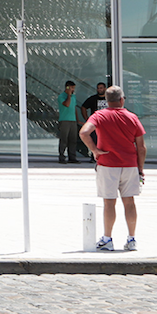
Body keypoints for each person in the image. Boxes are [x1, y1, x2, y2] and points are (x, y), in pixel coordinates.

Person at [80, 85, 146, 252]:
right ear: (122, 100)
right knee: (129, 202)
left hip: (107, 164)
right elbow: (141, 147)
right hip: (129, 164)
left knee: (109, 202)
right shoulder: (132, 117)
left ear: (106, 100)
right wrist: (140, 169)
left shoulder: (99, 115)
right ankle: (132, 239)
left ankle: (107, 239)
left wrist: (94, 150)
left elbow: (83, 132)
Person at [78, 81, 107, 161]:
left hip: (107, 123)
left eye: (101, 88)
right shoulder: (93, 99)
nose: (99, 89)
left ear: (105, 89)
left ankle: (106, 156)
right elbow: (83, 107)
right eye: (98, 88)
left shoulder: (109, 99)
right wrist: (87, 119)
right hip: (95, 124)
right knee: (94, 140)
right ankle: (94, 156)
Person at [56, 81, 80, 163]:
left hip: (73, 120)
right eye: (72, 88)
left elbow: (74, 108)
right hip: (64, 120)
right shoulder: (61, 96)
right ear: (67, 87)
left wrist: (77, 119)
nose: (73, 90)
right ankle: (62, 157)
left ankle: (72, 157)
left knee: (73, 140)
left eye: (74, 88)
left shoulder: (74, 97)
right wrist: (69, 95)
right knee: (64, 139)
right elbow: (67, 104)